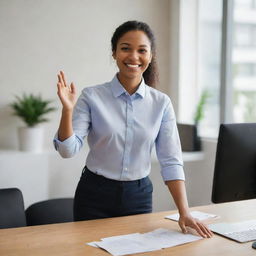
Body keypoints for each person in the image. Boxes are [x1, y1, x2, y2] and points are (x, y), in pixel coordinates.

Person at [54, 20, 213, 238]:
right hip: (94, 195)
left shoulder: (161, 103)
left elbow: (171, 160)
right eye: (125, 48)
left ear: (151, 55)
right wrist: (67, 111)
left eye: (142, 50)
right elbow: (67, 150)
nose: (134, 57)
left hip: (138, 197)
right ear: (114, 53)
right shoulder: (92, 96)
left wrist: (184, 212)